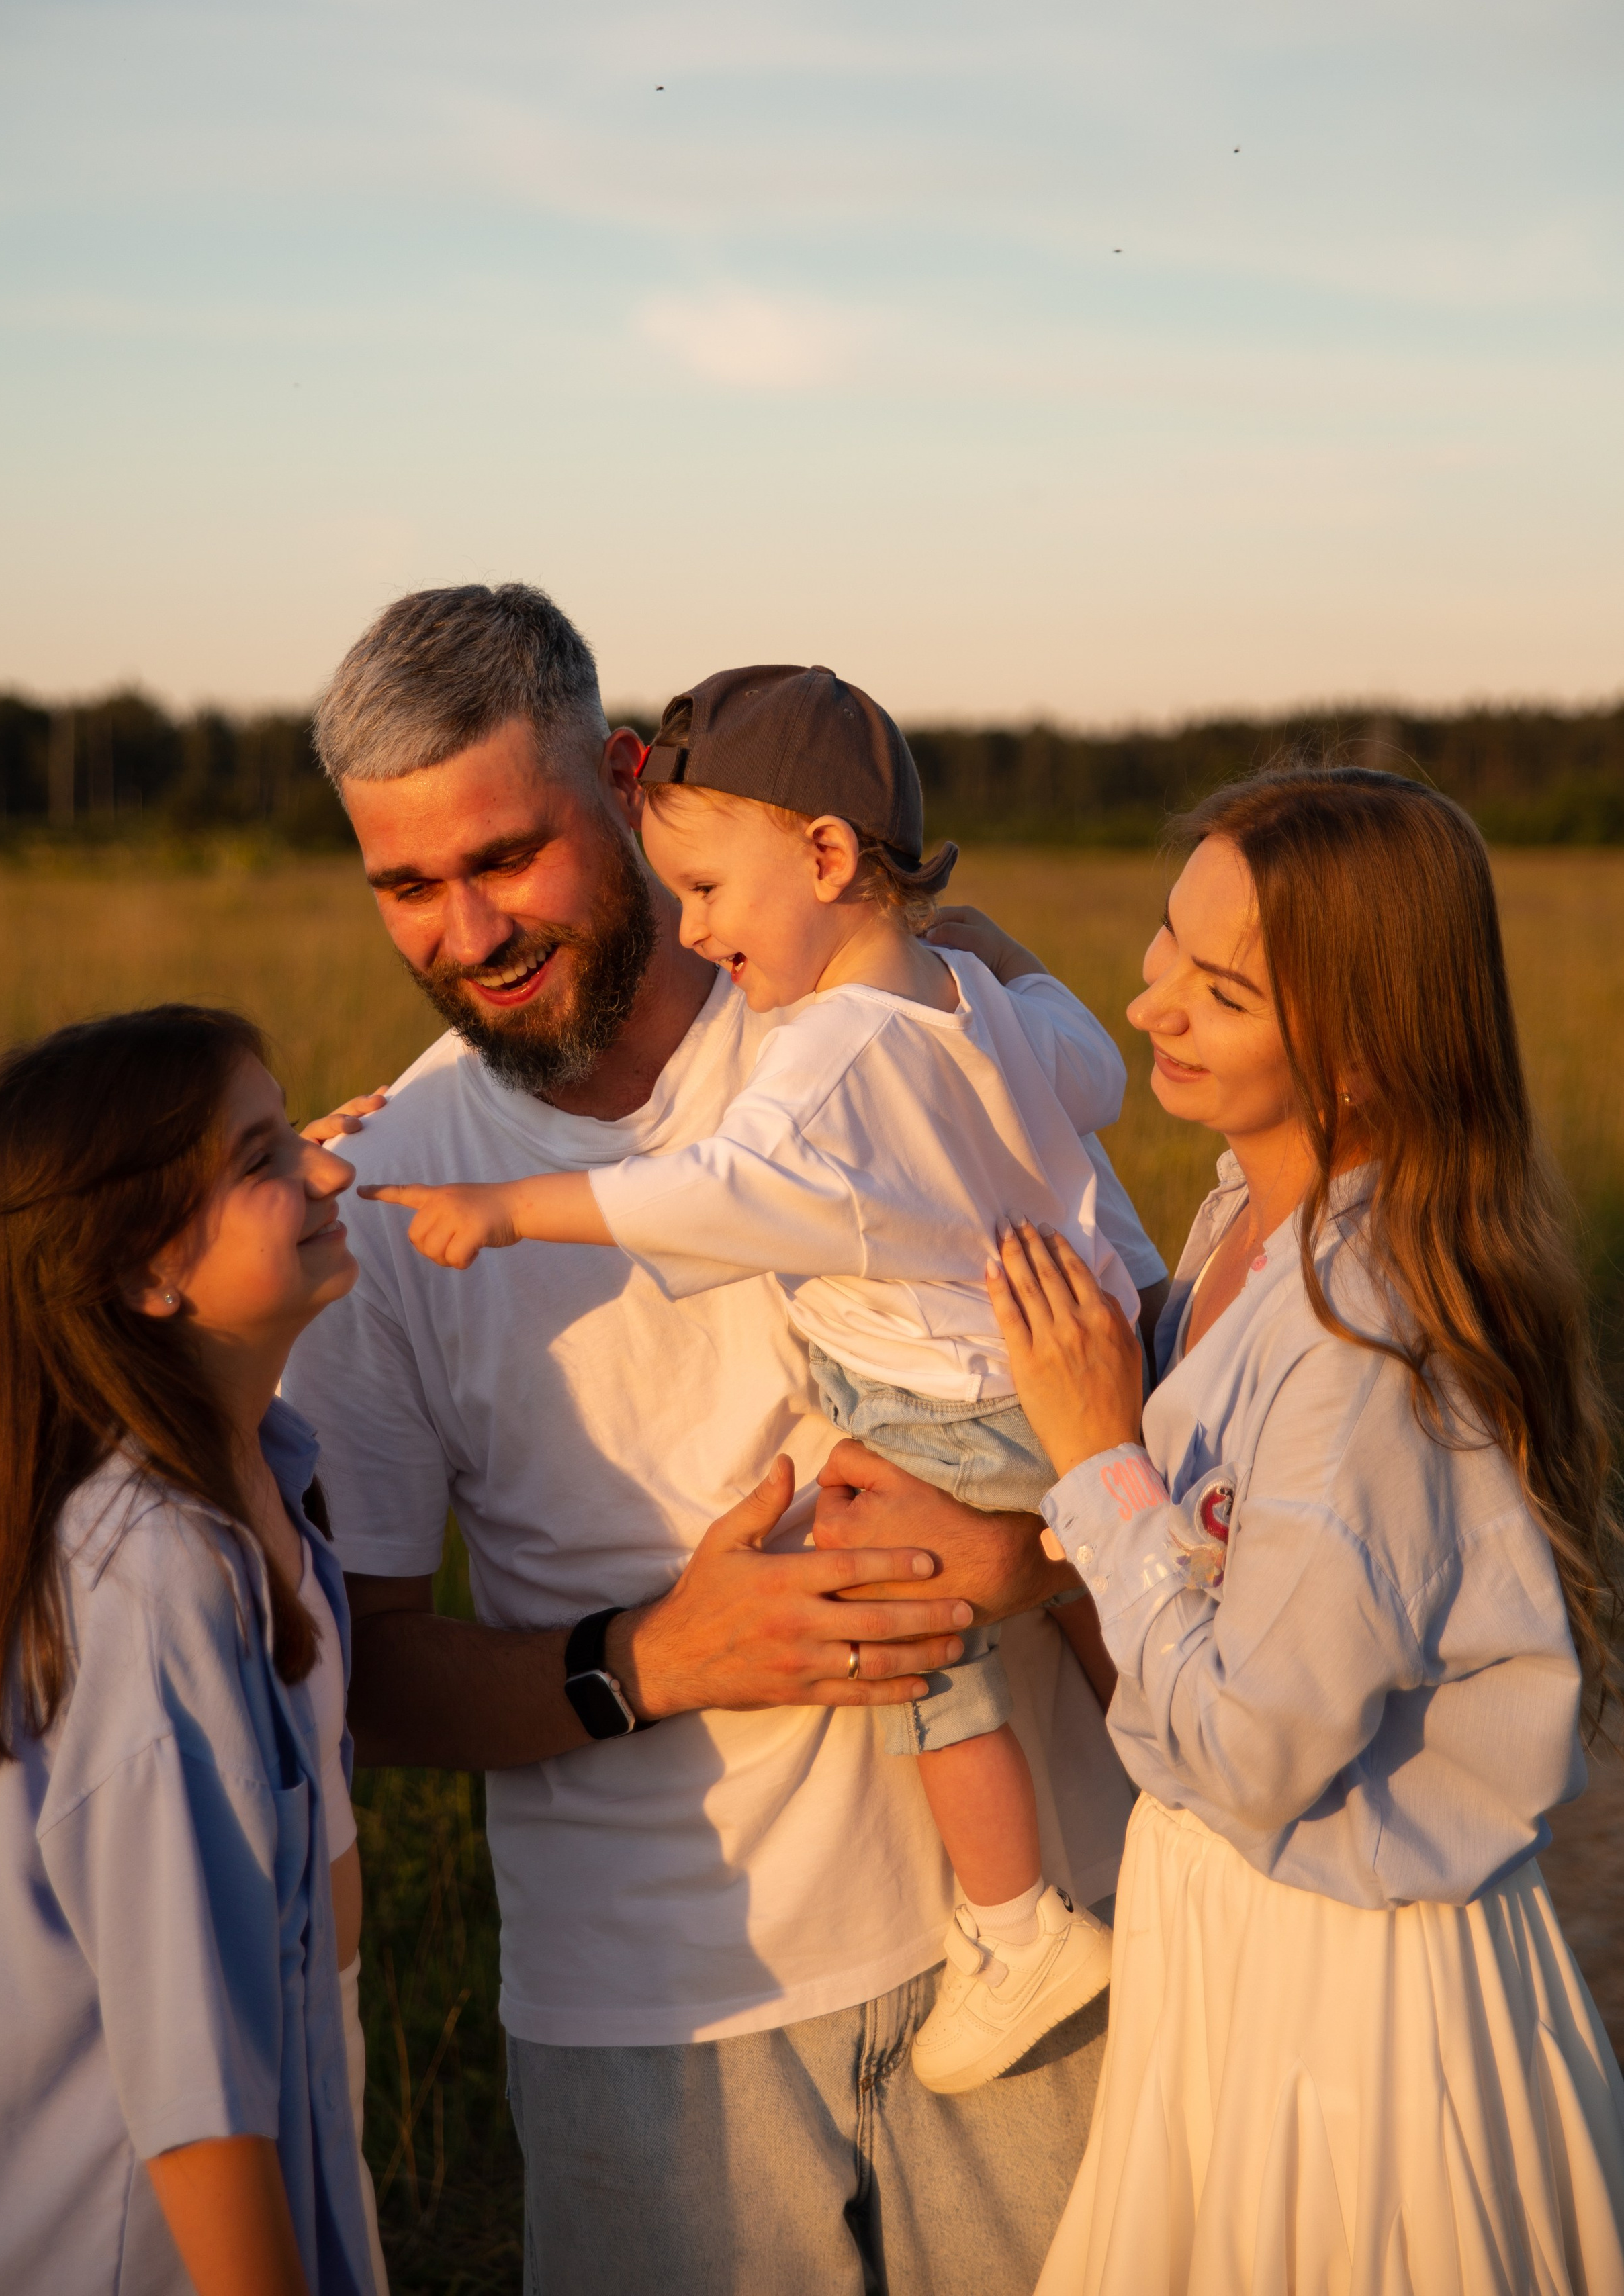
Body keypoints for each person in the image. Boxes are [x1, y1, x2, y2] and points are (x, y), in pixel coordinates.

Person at [283, 584, 1167, 2296]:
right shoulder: (395, 1198)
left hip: (1041, 1936)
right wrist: (650, 1660)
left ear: (624, 780)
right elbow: (367, 1681)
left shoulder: (899, 1018)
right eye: (406, 885)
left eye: (505, 857)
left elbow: (1132, 1380)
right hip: (657, 2019)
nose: (465, 933)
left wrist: (1018, 1553)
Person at [979, 768, 1624, 2295]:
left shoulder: (1369, 1343)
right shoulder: (1238, 1224)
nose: (1149, 1010)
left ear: (1360, 1046)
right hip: (1229, 1924)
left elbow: (1259, 1744)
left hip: (1353, 1986)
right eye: (1160, 945)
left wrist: (1091, 1462)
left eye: (1218, 991)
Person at [0, 1007, 383, 2296]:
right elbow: (198, 2099)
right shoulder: (150, 1582)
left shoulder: (264, 1498)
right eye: (264, 1160)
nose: (329, 1171)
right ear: (144, 1273)